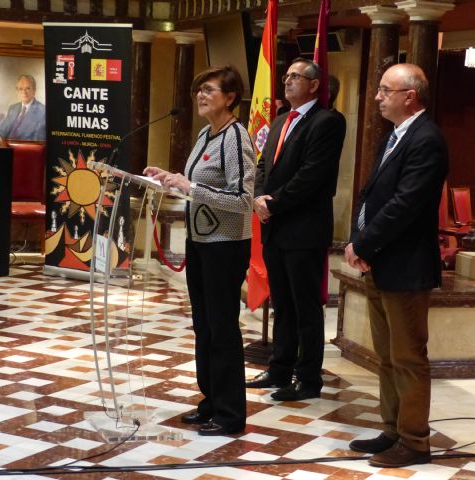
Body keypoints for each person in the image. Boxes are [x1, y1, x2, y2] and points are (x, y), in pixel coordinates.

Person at [344, 63, 448, 468]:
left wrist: (363, 242)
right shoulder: (395, 135)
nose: (377, 97)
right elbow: (373, 195)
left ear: (410, 96)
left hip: (406, 267)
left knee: (408, 358)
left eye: (385, 90)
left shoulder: (427, 140)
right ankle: (393, 430)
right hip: (380, 262)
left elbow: (406, 204)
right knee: (387, 356)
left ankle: (415, 441)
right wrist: (359, 241)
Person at [143, 65, 255, 436]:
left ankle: (230, 414)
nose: (200, 96)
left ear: (230, 97)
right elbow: (195, 185)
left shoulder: (236, 137)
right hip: (201, 242)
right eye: (199, 90)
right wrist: (168, 180)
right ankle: (210, 402)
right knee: (205, 328)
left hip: (225, 246)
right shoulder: (206, 134)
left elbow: (242, 200)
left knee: (222, 329)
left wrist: (190, 187)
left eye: (209, 90)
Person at [245, 58, 346, 401]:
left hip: (303, 229)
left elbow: (312, 175)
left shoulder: (327, 121)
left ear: (314, 85)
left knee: (305, 307)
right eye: (286, 75)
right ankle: (279, 369)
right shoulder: (279, 121)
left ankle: (308, 378)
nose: (286, 81)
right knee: (282, 304)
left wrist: (273, 203)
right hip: (274, 226)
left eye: (295, 76)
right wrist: (259, 196)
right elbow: (263, 165)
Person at [0, 74, 46, 145]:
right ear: (17, 91)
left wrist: (6, 145)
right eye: (21, 89)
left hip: (23, 150)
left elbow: (38, 142)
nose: (24, 92)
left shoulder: (42, 111)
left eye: (28, 88)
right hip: (5, 148)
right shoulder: (13, 108)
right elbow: (1, 130)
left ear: (34, 90)